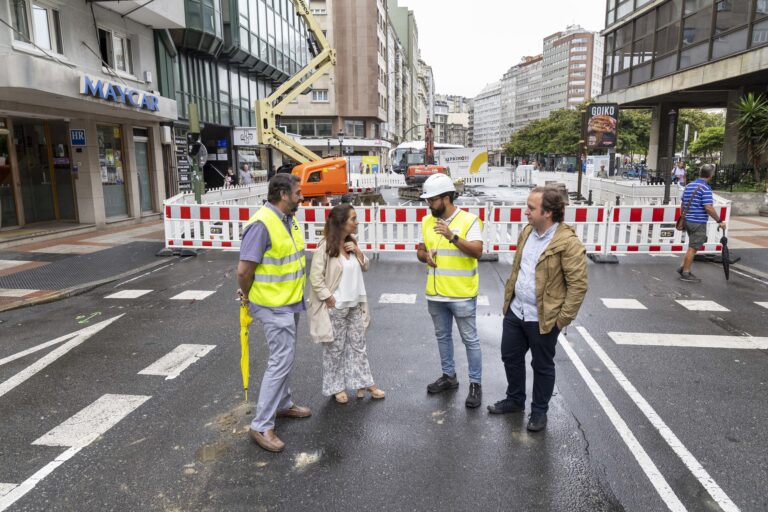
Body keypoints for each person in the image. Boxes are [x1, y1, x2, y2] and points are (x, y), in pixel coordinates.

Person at [488, 187, 588, 432]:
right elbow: (518, 269)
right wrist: (509, 301)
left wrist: (562, 319)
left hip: (544, 317)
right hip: (516, 311)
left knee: (542, 366)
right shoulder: (527, 232)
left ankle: (539, 411)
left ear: (549, 213)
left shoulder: (568, 243)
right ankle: (515, 400)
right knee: (510, 357)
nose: (526, 212)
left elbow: (578, 285)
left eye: (531, 208)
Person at [237, 174, 311, 453]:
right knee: (280, 360)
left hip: (289, 301)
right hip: (272, 304)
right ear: (283, 194)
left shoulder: (287, 220)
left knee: (286, 356)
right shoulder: (262, 224)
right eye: (298, 193)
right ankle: (261, 424)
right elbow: (244, 270)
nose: (301, 197)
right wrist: (246, 294)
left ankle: (283, 404)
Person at [416, 173, 484, 408]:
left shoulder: (469, 220)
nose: (428, 204)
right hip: (435, 294)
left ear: (446, 198)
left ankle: (475, 383)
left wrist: (452, 236)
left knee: (470, 340)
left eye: (432, 200)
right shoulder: (427, 221)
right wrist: (426, 256)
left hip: (461, 294)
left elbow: (477, 251)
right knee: (442, 337)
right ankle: (449, 377)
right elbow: (420, 251)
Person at [308, 204, 385, 404]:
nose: (357, 222)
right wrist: (329, 298)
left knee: (359, 346)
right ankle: (336, 387)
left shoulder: (352, 243)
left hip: (355, 305)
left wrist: (358, 252)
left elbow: (365, 266)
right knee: (335, 349)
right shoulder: (325, 247)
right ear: (342, 223)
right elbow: (316, 278)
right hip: (336, 307)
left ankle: (365, 383)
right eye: (353, 218)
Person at [677, 164, 726, 283]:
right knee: (693, 248)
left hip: (688, 220)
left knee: (694, 244)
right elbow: (708, 207)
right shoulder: (705, 188)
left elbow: (683, 203)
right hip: (698, 221)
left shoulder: (689, 185)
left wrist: (683, 216)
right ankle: (686, 273)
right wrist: (719, 221)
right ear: (711, 175)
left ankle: (683, 267)